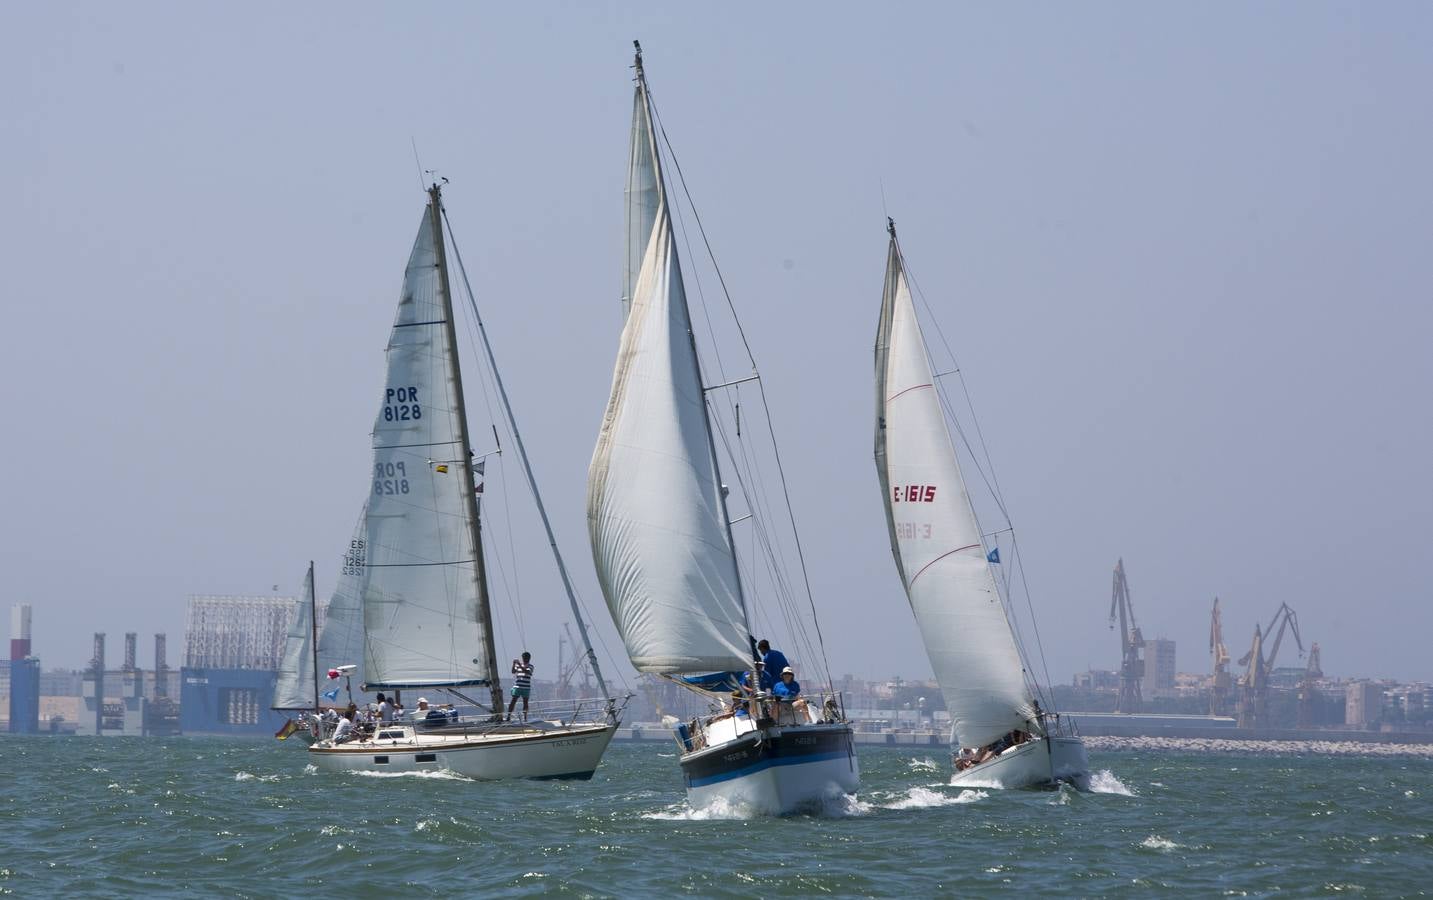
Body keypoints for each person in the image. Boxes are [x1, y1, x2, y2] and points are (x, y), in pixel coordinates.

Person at [507, 651, 534, 721]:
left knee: (525, 702)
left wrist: (519, 664)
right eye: (524, 657)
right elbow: (513, 671)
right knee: (513, 701)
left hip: (526, 687)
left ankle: (525, 718)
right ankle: (508, 716)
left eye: (526, 658)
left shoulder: (530, 666)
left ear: (529, 658)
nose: (525, 659)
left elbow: (526, 671)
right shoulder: (518, 665)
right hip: (518, 686)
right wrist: (513, 664)